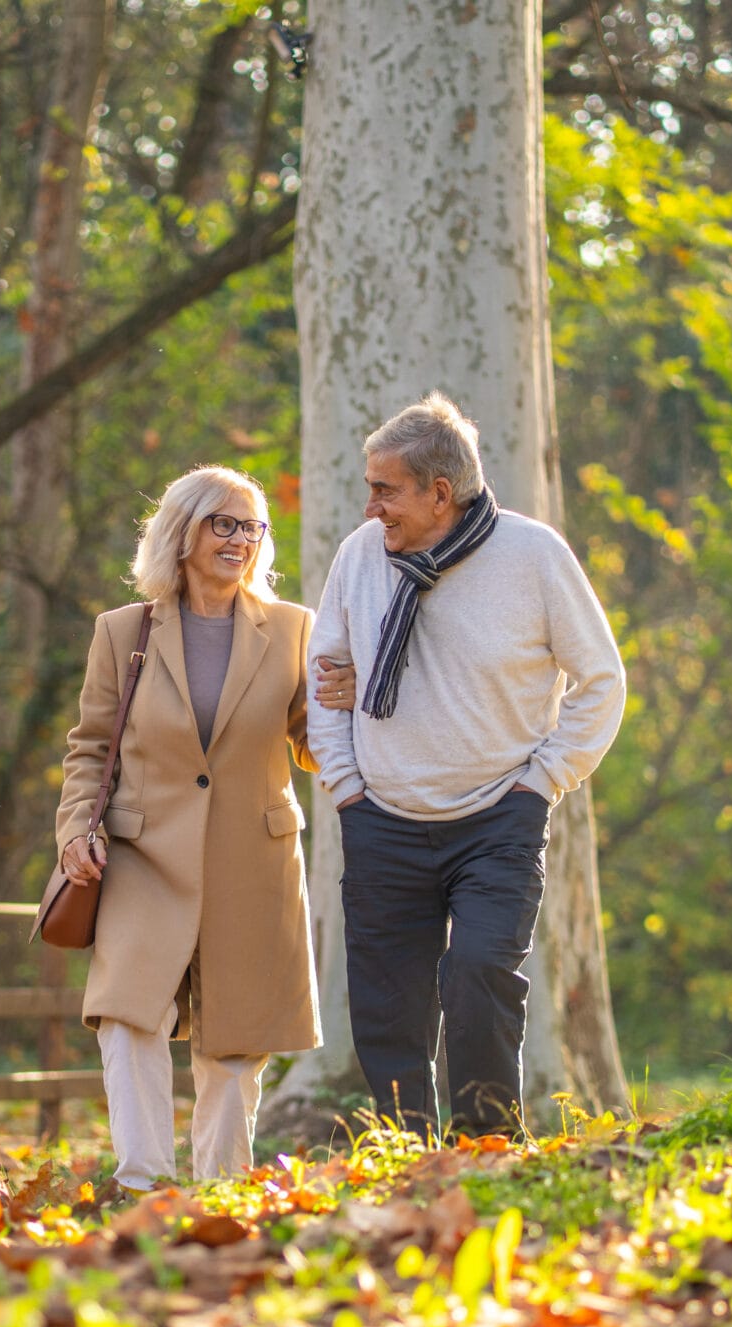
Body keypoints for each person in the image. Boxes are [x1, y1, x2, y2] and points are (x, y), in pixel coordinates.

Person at [307, 394, 625, 1134]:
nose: (371, 506)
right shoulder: (361, 557)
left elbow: (602, 680)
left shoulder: (533, 556)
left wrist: (543, 778)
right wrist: (347, 785)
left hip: (497, 819)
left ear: (440, 493)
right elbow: (326, 674)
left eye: (385, 489)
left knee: (479, 972)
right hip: (381, 817)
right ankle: (403, 1150)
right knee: (387, 1005)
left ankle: (486, 1141)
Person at [55, 466, 319, 1191]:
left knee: (236, 1037)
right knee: (126, 1015)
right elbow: (90, 745)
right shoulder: (124, 632)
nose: (239, 540)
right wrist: (76, 829)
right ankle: (141, 1182)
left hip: (253, 858)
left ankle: (224, 1191)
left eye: (251, 526)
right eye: (222, 523)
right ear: (183, 531)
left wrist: (344, 707)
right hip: (143, 855)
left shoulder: (294, 630)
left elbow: (312, 743)